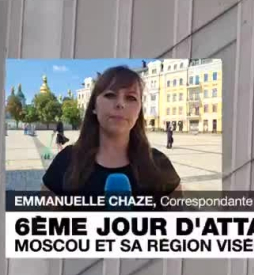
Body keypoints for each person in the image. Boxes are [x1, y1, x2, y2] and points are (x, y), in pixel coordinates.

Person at [41, 66, 181, 197]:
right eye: (110, 95)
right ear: (94, 106)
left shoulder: (160, 165)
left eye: (131, 98)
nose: (120, 104)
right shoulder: (65, 162)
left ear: (139, 111)